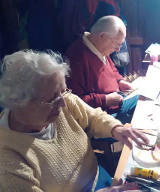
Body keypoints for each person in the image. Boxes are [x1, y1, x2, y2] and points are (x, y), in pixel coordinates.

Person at [0, 50, 149, 191]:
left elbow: (92, 116)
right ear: (19, 103)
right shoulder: (7, 157)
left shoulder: (60, 99)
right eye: (52, 99)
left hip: (98, 175)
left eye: (63, 91)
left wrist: (116, 128)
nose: (63, 103)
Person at [65, 15, 136, 124]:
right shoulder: (76, 57)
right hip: (100, 118)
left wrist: (120, 81)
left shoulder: (99, 46)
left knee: (143, 100)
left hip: (116, 101)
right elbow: (75, 102)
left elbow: (112, 70)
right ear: (102, 36)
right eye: (117, 44)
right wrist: (105, 100)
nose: (118, 49)